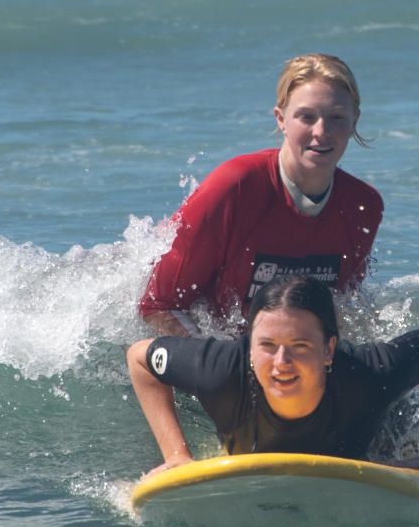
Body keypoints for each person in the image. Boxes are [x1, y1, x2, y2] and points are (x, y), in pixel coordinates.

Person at [127, 274, 419, 477]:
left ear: (329, 350)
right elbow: (139, 357)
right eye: (267, 344)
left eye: (300, 345)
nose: (281, 362)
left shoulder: (371, 374)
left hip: (386, 422)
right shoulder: (221, 370)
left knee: (413, 403)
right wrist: (176, 455)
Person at [139, 54, 385, 336]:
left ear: (354, 122)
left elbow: (339, 313)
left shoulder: (363, 205)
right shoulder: (236, 187)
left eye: (337, 117)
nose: (321, 131)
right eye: (306, 117)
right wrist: (222, 369)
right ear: (281, 119)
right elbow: (158, 304)